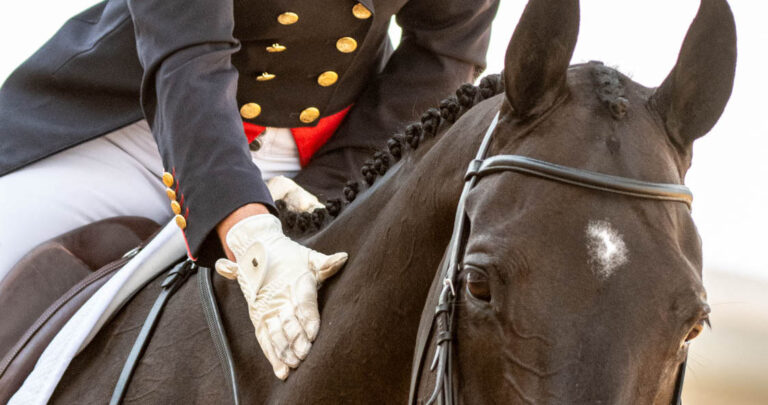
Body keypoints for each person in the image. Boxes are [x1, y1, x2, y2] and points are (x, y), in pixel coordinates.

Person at [0, 0, 498, 379]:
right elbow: (187, 55)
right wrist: (251, 229)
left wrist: (329, 192)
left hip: (316, 149)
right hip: (133, 124)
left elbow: (444, 51)